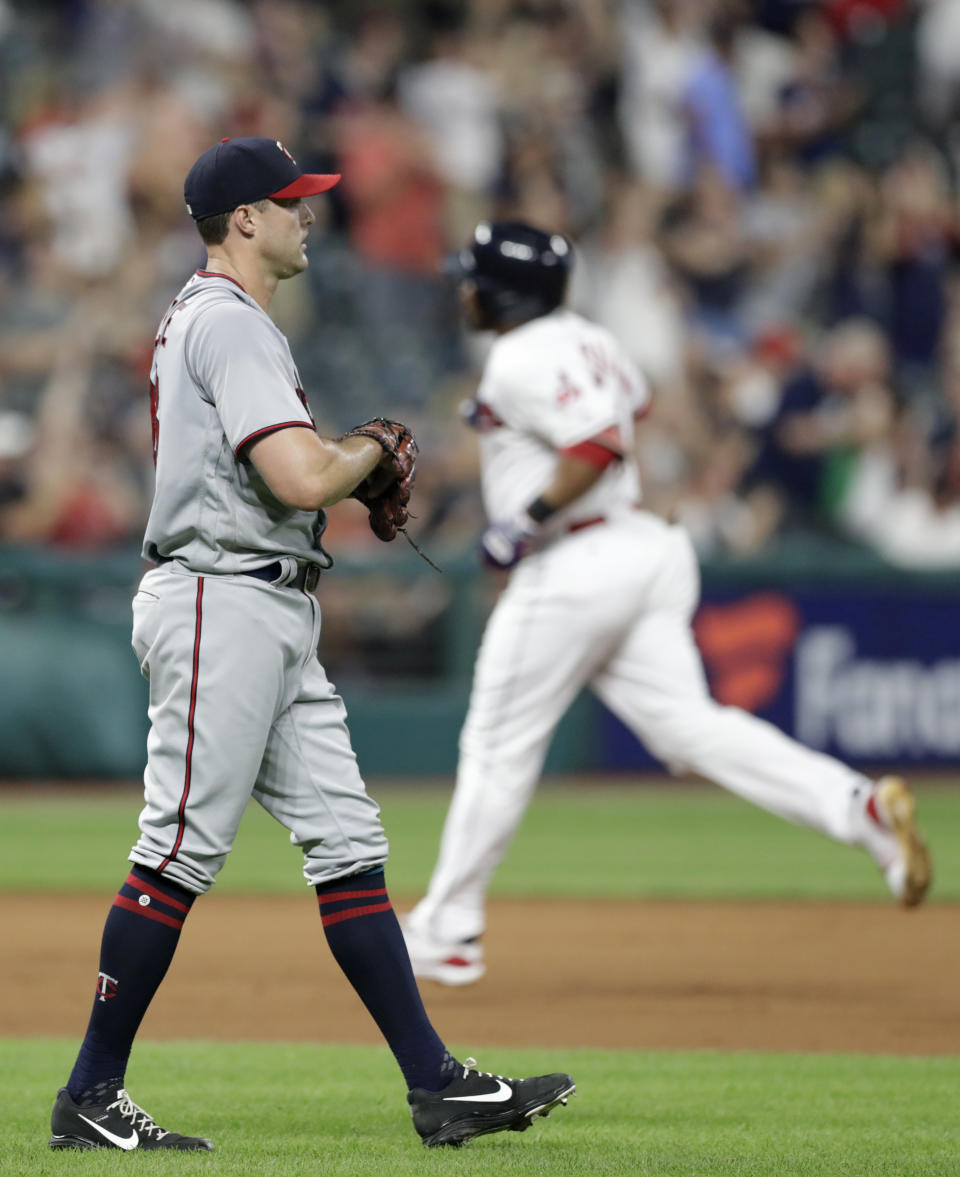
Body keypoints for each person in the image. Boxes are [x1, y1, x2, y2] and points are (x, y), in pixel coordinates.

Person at [49, 140, 575, 1151]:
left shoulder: (225, 323)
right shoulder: (230, 323)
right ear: (244, 218)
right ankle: (90, 1092)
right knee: (177, 851)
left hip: (269, 604)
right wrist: (372, 449)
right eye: (293, 202)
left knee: (347, 842)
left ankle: (436, 1084)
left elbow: (295, 474)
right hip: (220, 599)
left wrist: (353, 463)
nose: (310, 216)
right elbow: (297, 479)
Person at [401, 220, 932, 987]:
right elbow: (630, 410)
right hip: (641, 548)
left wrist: (523, 517)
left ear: (505, 291)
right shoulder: (587, 338)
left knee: (496, 743)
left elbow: (597, 443)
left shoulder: (520, 353)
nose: (463, 288)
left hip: (573, 561)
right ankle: (861, 812)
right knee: (689, 729)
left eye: (473, 277)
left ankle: (448, 927)